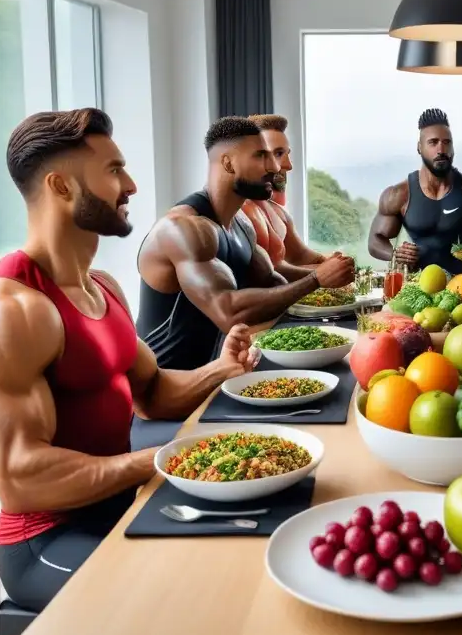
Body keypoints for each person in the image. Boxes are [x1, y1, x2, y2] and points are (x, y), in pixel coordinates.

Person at [0, 108, 261, 612]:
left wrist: (221, 369)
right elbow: (19, 478)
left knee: (252, 545)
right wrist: (159, 461)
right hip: (48, 541)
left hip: (121, 503)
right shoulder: (8, 314)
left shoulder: (102, 288)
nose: (132, 184)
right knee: (200, 598)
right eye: (114, 170)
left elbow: (154, 395)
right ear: (62, 186)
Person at [135, 117, 354, 446]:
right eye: (261, 156)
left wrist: (327, 277)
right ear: (227, 162)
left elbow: (275, 286)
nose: (274, 167)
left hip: (219, 381)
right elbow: (230, 312)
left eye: (273, 156)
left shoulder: (240, 227)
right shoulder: (183, 230)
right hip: (170, 405)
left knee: (332, 419)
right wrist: (316, 279)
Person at [367, 108, 462, 274]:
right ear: (420, 147)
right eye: (433, 142)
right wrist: (395, 254)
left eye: (447, 142)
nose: (441, 150)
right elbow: (374, 241)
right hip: (417, 287)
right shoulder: (399, 195)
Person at [240, 114, 329, 274]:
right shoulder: (241, 214)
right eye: (279, 154)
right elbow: (267, 276)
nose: (288, 166)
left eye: (287, 154)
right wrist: (323, 273)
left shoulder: (277, 212)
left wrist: (332, 261)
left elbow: (300, 256)